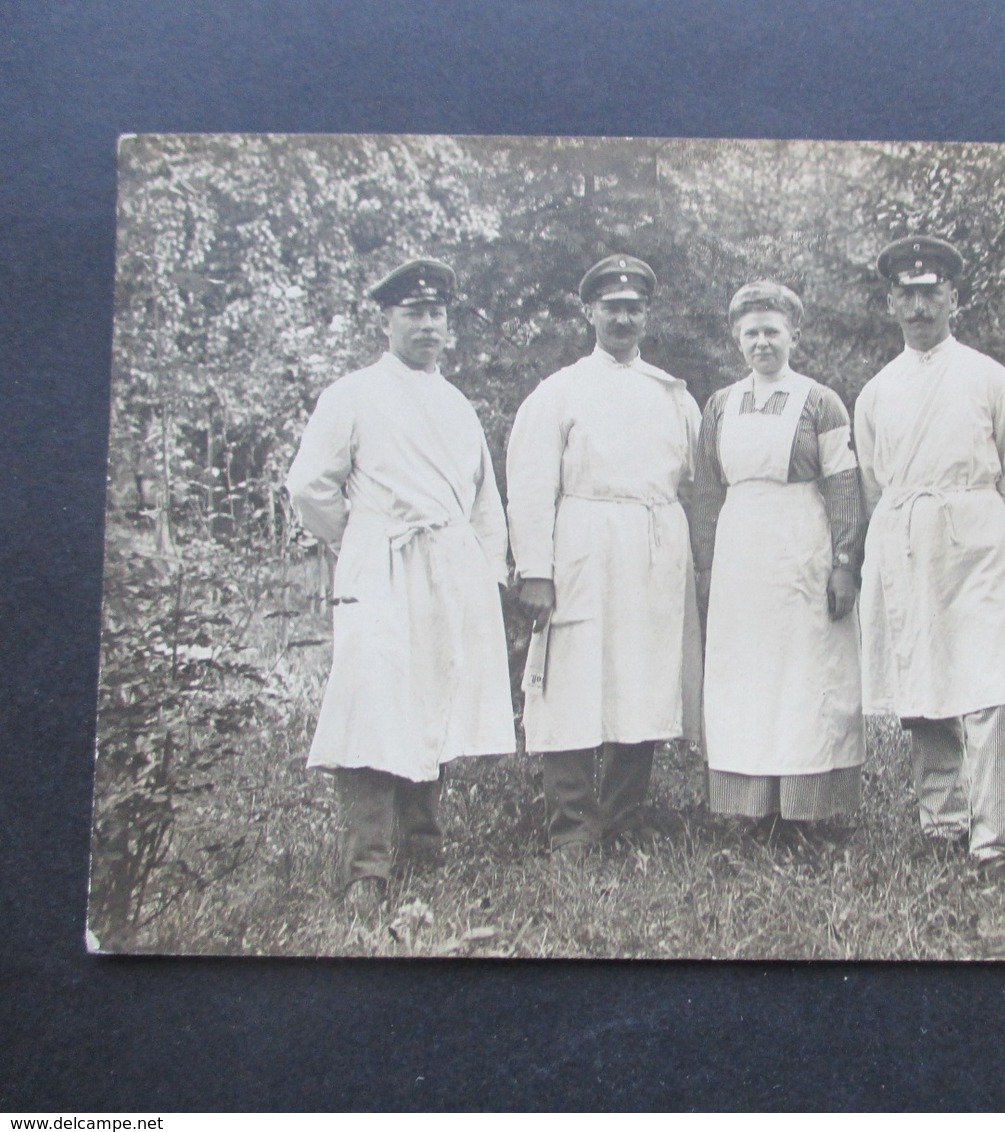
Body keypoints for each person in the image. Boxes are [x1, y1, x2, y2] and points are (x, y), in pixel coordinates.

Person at [285, 258, 517, 917]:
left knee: (432, 694)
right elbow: (308, 487)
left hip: (448, 569)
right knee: (372, 702)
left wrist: (483, 571)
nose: (425, 325)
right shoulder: (352, 394)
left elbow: (484, 503)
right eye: (412, 313)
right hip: (380, 565)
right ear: (386, 320)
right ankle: (370, 867)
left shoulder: (457, 403)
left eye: (435, 313)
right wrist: (359, 539)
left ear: (448, 324)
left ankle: (422, 843)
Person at [853, 237, 1005, 874]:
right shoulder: (876, 391)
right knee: (922, 682)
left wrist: (981, 531)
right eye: (906, 293)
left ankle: (997, 838)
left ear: (953, 296)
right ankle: (943, 819)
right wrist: (915, 531)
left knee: (987, 684)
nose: (919, 304)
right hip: (906, 541)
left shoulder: (991, 378)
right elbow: (877, 485)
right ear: (890, 303)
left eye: (931, 290)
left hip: (978, 541)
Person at [505, 254, 702, 855]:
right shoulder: (559, 391)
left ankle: (625, 819)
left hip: (654, 550)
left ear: (647, 315)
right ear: (588, 311)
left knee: (640, 679)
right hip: (582, 548)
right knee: (571, 681)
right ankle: (573, 826)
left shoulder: (674, 395)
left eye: (634, 307)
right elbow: (531, 486)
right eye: (611, 307)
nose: (623, 317)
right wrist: (536, 571)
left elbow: (701, 484)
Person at [690, 281, 865, 836]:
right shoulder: (719, 404)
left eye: (772, 331)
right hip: (742, 554)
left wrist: (844, 561)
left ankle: (805, 808)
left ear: (794, 335)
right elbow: (705, 491)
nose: (762, 342)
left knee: (803, 674)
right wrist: (706, 564)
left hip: (801, 549)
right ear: (737, 340)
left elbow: (842, 483)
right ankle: (750, 807)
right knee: (746, 674)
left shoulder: (820, 401)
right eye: (751, 333)